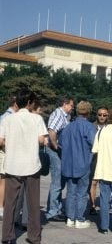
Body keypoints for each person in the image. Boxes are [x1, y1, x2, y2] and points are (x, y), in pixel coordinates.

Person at [0, 90, 48, 244]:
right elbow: (42, 140)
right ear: (29, 103)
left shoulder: (7, 120)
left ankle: (7, 236)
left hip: (12, 164)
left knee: (10, 204)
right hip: (31, 165)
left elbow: (1, 141)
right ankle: (34, 237)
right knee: (33, 204)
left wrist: (11, 144)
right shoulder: (37, 119)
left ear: (17, 103)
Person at [59, 101, 97, 229]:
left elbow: (61, 143)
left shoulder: (68, 127)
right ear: (88, 112)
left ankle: (70, 218)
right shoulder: (89, 127)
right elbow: (94, 144)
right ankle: (79, 218)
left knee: (70, 192)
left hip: (68, 163)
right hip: (83, 162)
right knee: (82, 193)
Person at [45, 96, 74, 222]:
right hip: (55, 152)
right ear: (64, 104)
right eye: (71, 105)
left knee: (59, 182)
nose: (72, 108)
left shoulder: (64, 116)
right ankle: (52, 212)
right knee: (57, 182)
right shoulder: (58, 114)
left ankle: (55, 208)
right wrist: (56, 146)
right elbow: (52, 131)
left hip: (57, 151)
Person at [0, 96, 18, 221]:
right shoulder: (7, 117)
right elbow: (1, 140)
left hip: (7, 153)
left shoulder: (6, 116)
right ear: (15, 104)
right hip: (5, 153)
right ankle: (1, 208)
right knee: (4, 182)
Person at [89, 106, 108, 215]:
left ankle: (105, 206)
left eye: (104, 115)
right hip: (95, 158)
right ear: (96, 115)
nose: (102, 117)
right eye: (100, 114)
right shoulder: (91, 127)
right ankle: (92, 205)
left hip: (106, 158)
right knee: (94, 183)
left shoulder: (110, 127)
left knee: (105, 183)